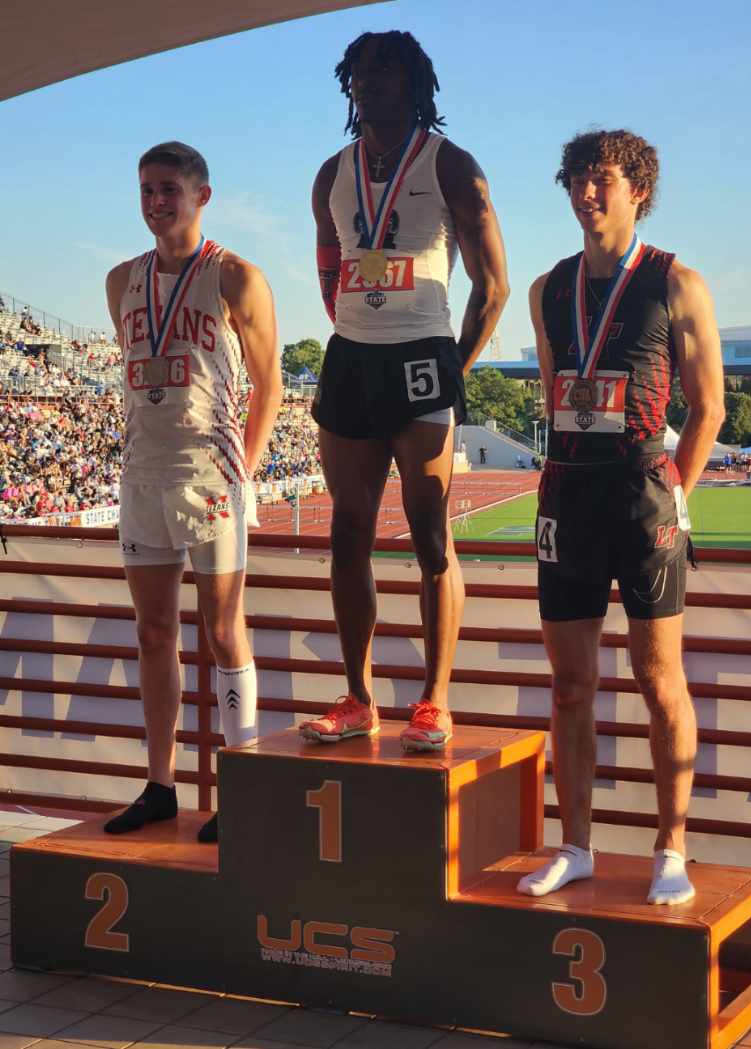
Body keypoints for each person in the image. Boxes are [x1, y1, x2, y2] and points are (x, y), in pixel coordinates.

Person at [519, 129, 724, 905]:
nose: (584, 192)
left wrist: (679, 489)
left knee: (656, 676)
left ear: (636, 188)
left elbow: (709, 407)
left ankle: (670, 846)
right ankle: (574, 844)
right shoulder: (548, 288)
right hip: (568, 491)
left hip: (643, 491)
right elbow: (551, 395)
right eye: (574, 178)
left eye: (600, 178)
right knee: (570, 684)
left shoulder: (678, 282)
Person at [301, 30, 508, 751]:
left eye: (388, 73)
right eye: (360, 72)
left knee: (429, 534)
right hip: (352, 358)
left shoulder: (451, 164)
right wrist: (362, 325)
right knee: (347, 528)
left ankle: (433, 698)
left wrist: (455, 365)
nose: (372, 83)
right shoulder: (330, 170)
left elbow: (493, 285)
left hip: (424, 355)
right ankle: (358, 696)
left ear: (417, 84)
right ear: (347, 84)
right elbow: (329, 274)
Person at [103, 141, 281, 842]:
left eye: (168, 189)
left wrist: (250, 466)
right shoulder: (121, 280)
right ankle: (160, 783)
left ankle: (242, 782)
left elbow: (269, 382)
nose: (155, 202)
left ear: (201, 195)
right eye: (146, 189)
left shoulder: (236, 277)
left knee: (221, 629)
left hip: (212, 473)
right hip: (143, 470)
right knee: (152, 634)